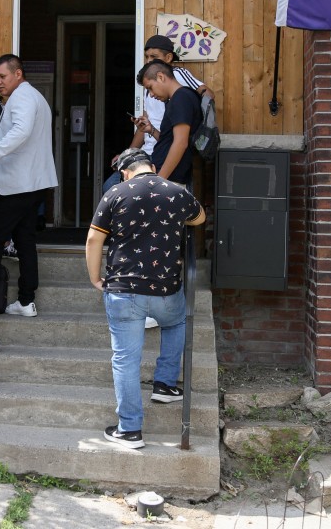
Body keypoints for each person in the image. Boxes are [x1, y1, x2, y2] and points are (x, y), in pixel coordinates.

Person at [85, 148, 205, 449]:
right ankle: (164, 384)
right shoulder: (177, 192)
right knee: (177, 322)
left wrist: (95, 277)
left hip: (123, 289)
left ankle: (130, 429)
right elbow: (200, 218)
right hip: (165, 289)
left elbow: (94, 238)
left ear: (125, 172)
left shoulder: (115, 193)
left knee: (126, 359)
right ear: (151, 166)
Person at [0, 54, 58, 317]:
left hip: (17, 184)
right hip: (31, 183)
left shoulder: (23, 98)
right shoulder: (33, 97)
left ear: (18, 74)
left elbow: (20, 132)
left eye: (2, 76)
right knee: (25, 240)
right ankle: (26, 301)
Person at [103, 35, 213, 191]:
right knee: (115, 190)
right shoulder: (166, 97)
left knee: (115, 190)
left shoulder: (180, 86)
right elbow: (161, 134)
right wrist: (128, 153)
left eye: (154, 57)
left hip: (168, 169)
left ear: (168, 59)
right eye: (147, 57)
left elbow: (180, 141)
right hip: (153, 158)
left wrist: (160, 179)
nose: (149, 60)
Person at [138, 59, 203, 184]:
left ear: (161, 77)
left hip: (171, 179)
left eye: (150, 88)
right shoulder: (176, 99)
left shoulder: (181, 98)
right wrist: (151, 129)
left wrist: (160, 180)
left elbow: (180, 143)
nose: (151, 94)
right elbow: (170, 140)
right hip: (168, 177)